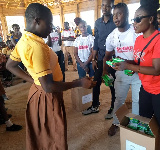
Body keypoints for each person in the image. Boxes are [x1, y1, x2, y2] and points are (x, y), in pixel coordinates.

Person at [6, 3, 96, 150]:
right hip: (47, 98)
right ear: (36, 20)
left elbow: (10, 65)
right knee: (54, 138)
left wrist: (35, 81)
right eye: (49, 24)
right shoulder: (37, 47)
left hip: (38, 92)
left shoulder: (25, 40)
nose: (51, 28)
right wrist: (79, 82)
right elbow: (48, 86)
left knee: (44, 137)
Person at [113, 0, 160, 149]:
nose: (134, 23)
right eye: (134, 19)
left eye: (138, 19)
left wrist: (130, 66)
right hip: (147, 87)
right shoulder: (138, 40)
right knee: (145, 121)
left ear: (150, 19)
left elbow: (158, 70)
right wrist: (124, 62)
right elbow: (140, 62)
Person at [103, 3, 141, 136]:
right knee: (118, 100)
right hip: (121, 74)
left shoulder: (137, 33)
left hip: (138, 72)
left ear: (127, 15)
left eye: (119, 13)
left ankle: (135, 125)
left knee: (137, 100)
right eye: (114, 15)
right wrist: (105, 70)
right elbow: (107, 56)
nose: (116, 17)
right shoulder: (111, 36)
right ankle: (116, 122)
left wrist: (131, 64)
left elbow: (145, 55)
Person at [82, 0, 116, 119]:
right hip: (101, 58)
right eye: (103, 5)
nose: (105, 8)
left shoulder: (115, 21)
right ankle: (95, 105)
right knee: (96, 82)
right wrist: (93, 59)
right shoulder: (97, 22)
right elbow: (96, 40)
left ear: (112, 7)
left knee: (112, 84)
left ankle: (113, 108)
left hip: (113, 60)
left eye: (107, 6)